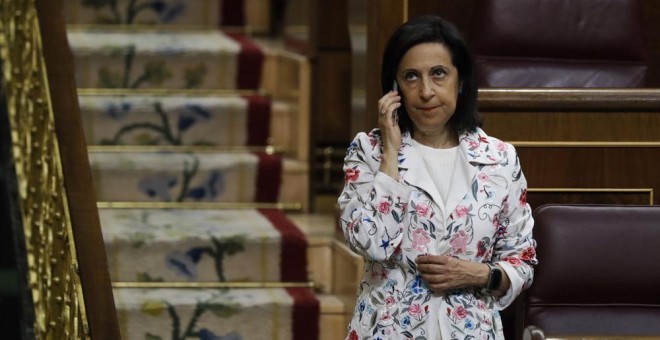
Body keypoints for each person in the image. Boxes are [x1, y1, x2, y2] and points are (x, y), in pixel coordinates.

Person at [338, 15, 537, 340]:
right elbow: (371, 244)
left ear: (460, 81)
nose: (426, 91)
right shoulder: (369, 152)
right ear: (394, 87)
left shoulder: (500, 159)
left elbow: (522, 260)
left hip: (471, 331)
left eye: (439, 74)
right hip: (387, 331)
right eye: (411, 76)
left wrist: (477, 273)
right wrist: (391, 154)